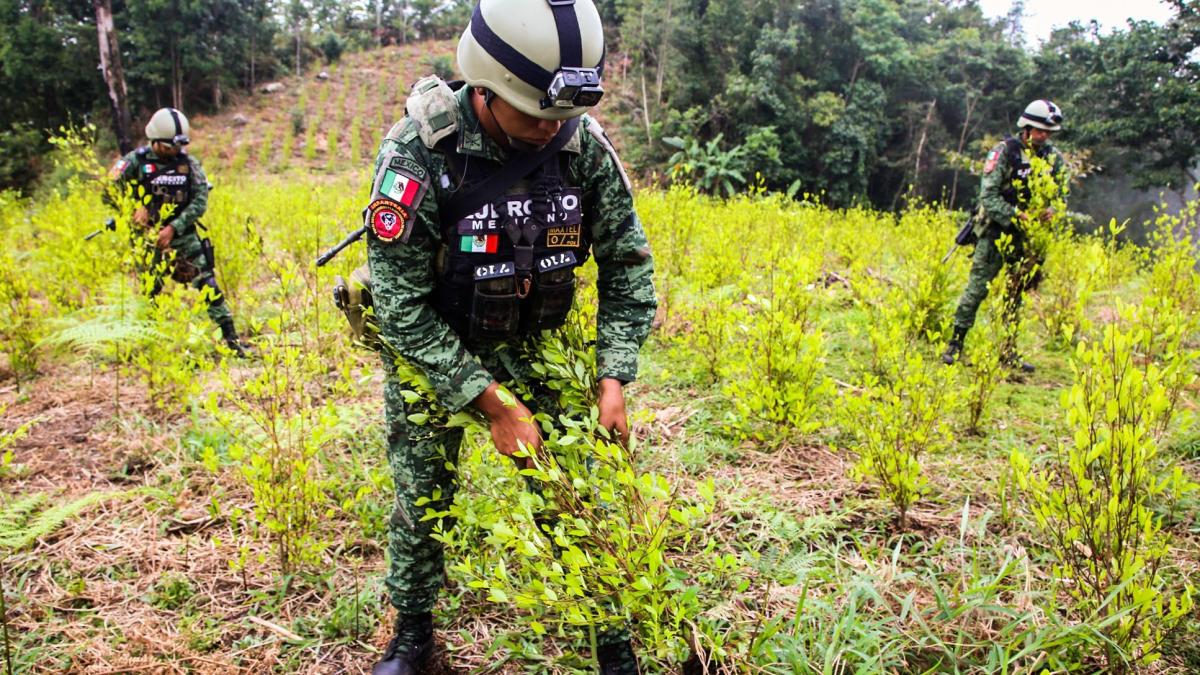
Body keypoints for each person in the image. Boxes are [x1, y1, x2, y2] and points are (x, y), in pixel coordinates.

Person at [361, 0, 656, 673]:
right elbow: (400, 306)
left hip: (537, 342)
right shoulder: (419, 151)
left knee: (573, 490)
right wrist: (491, 402)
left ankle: (609, 637)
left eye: (561, 116)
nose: (549, 129)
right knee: (421, 492)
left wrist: (614, 375)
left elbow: (628, 265)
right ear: (486, 86)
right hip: (437, 344)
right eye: (535, 114)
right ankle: (413, 633)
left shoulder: (581, 145)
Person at [106, 107, 247, 357]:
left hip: (183, 236)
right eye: (170, 146)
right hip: (147, 240)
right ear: (156, 141)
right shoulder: (134, 162)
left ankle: (232, 341)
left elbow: (200, 201)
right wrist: (132, 210)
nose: (175, 152)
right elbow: (108, 192)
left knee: (208, 286)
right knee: (150, 293)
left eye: (178, 147)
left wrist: (174, 228)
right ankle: (151, 350)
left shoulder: (189, 164)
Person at [942, 99, 1067, 371]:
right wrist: (1014, 215)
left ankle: (1008, 352)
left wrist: (1052, 209)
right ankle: (955, 344)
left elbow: (1063, 190)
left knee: (1016, 294)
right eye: (1039, 131)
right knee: (977, 288)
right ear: (1027, 127)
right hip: (997, 232)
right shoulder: (1005, 152)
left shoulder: (1052, 157)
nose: (1044, 136)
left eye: (1048, 132)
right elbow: (988, 195)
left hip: (1027, 238)